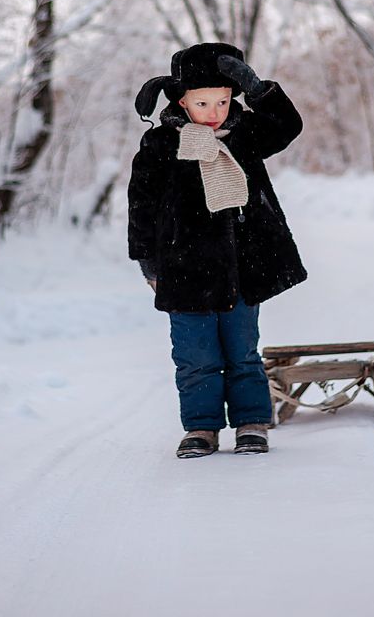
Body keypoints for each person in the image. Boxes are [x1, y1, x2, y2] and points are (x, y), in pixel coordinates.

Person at [127, 41, 308, 458]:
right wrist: (148, 263)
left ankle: (251, 423)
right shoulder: (160, 145)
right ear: (181, 101)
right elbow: (142, 205)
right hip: (182, 268)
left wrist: (258, 89)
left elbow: (287, 126)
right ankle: (201, 429)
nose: (214, 113)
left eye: (224, 101)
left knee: (243, 353)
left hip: (242, 267)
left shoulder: (245, 135)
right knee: (195, 356)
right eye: (203, 102)